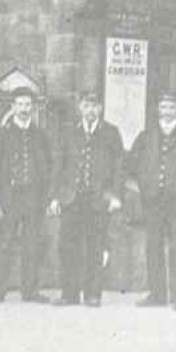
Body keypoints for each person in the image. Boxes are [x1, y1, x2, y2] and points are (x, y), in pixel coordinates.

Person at [128, 90, 176, 312]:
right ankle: (157, 293)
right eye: (163, 107)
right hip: (153, 201)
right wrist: (144, 186)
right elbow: (131, 165)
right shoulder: (146, 137)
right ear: (157, 110)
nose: (167, 111)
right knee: (153, 246)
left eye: (171, 107)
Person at [49, 91, 123, 307]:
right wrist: (54, 197)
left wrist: (115, 195)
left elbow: (119, 167)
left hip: (98, 198)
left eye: (94, 106)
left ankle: (93, 293)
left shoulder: (111, 133)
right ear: (80, 107)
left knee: (95, 246)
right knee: (68, 246)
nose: (90, 110)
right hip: (71, 197)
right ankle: (69, 293)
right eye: (86, 105)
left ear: (100, 108)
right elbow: (59, 165)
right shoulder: (69, 132)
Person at [0, 86, 53, 304]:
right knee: (3, 243)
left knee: (32, 244)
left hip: (33, 197)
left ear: (33, 108)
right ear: (12, 107)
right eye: (20, 104)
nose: (24, 109)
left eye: (28, 105)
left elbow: (49, 166)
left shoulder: (41, 136)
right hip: (8, 197)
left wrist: (47, 197)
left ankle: (30, 290)